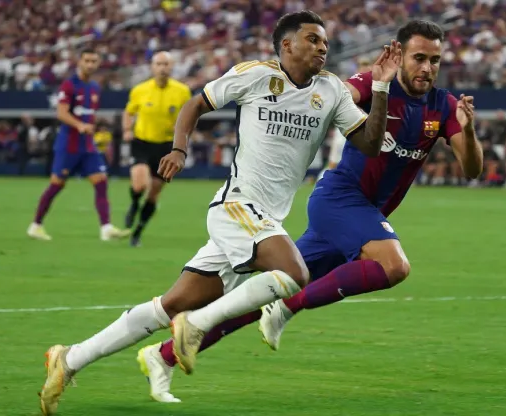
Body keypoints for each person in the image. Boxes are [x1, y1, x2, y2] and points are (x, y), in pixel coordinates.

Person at [38, 10, 397, 414]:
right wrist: (179, 148)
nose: (322, 47)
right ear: (287, 45)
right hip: (237, 206)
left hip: (264, 219)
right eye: (313, 39)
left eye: (325, 42)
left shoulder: (330, 90)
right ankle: (196, 326)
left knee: (169, 306)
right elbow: (195, 104)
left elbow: (370, 144)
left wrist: (381, 86)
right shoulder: (255, 75)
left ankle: (70, 358)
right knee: (295, 274)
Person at [136, 19, 484, 403]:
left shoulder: (444, 106)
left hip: (362, 214)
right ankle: (285, 308)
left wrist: (467, 131)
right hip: (339, 199)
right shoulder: (371, 83)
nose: (427, 68)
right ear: (399, 55)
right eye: (419, 58)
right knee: (394, 266)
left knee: (266, 293)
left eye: (435, 60)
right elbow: (331, 96)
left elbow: (472, 169)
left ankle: (162, 356)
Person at [26, 49, 130, 242]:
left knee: (101, 181)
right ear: (79, 62)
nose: (90, 65)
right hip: (69, 145)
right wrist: (79, 125)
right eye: (87, 60)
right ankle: (36, 225)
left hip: (87, 145)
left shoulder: (94, 87)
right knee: (57, 184)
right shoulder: (69, 85)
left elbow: (88, 114)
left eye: (94, 61)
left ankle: (106, 228)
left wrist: (92, 125)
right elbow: (61, 113)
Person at [122, 51, 192, 247]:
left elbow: (188, 116)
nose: (162, 68)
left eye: (166, 64)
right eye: (159, 64)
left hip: (166, 146)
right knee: (139, 184)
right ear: (152, 67)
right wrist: (127, 129)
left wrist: (182, 133)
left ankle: (138, 232)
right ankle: (134, 204)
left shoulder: (182, 91)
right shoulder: (140, 90)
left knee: (154, 192)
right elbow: (128, 112)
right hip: (142, 142)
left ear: (172, 67)